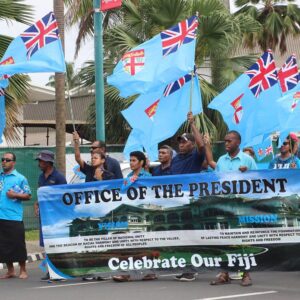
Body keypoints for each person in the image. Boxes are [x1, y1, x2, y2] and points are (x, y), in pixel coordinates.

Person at [209, 130, 257, 287]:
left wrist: (248, 174)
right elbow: (216, 181)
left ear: (238, 142)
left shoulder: (247, 160)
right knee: (224, 240)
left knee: (243, 242)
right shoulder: (221, 160)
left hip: (242, 206)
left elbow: (259, 181)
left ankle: (245, 274)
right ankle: (225, 273)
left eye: (229, 141)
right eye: (225, 141)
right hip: (224, 205)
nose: (226, 144)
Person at [112, 151, 155, 282]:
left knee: (146, 245)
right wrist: (131, 181)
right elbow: (122, 190)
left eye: (134, 160)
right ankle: (125, 273)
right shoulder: (129, 175)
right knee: (128, 245)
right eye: (130, 160)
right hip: (130, 212)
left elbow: (151, 193)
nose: (131, 163)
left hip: (144, 213)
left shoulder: (147, 176)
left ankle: (150, 272)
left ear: (141, 163)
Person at [34, 150, 67, 281]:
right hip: (44, 217)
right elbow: (40, 195)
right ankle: (51, 271)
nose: (39, 163)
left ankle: (61, 271)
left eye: (41, 161)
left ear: (48, 162)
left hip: (56, 218)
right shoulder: (41, 177)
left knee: (57, 243)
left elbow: (65, 196)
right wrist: (36, 205)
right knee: (47, 245)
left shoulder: (59, 177)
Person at [0, 152, 31, 279]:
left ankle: (23, 270)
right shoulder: (0, 177)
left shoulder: (20, 178)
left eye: (7, 160)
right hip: (1, 216)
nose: (4, 162)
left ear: (13, 162)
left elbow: (28, 195)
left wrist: (15, 195)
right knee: (3, 245)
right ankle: (10, 270)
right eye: (3, 159)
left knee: (18, 244)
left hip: (14, 217)